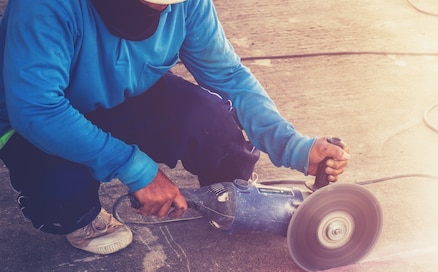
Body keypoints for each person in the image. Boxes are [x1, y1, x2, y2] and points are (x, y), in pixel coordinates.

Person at [0, 0, 350, 255]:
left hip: (117, 95)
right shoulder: (43, 6)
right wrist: (137, 169)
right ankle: (76, 215)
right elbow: (37, 109)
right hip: (31, 119)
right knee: (62, 189)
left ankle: (229, 193)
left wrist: (293, 146)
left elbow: (229, 77)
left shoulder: (188, 4)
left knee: (210, 119)